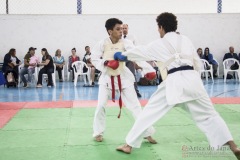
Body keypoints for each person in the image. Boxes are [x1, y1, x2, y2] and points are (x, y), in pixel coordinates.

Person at [114, 13, 240, 160]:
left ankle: (129, 145)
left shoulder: (158, 44)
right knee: (210, 115)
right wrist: (195, 80)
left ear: (161, 27)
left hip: (173, 82)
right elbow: (197, 62)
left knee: (149, 112)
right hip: (193, 80)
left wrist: (121, 55)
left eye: (158, 28)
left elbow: (140, 52)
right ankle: (233, 146)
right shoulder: (186, 40)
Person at [91, 18, 156, 143]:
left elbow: (137, 55)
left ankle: (147, 132)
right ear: (110, 31)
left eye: (122, 29)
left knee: (136, 107)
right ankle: (98, 132)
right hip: (107, 78)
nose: (121, 31)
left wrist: (148, 69)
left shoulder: (126, 43)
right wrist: (106, 62)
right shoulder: (102, 43)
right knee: (100, 106)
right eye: (118, 29)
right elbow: (93, 58)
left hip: (124, 78)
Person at [122, 24, 142, 97]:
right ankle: (123, 93)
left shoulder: (132, 37)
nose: (124, 29)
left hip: (130, 59)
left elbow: (136, 48)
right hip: (121, 59)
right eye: (123, 28)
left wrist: (135, 60)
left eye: (125, 28)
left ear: (128, 28)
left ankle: (136, 91)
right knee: (122, 76)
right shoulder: (119, 37)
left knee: (132, 75)